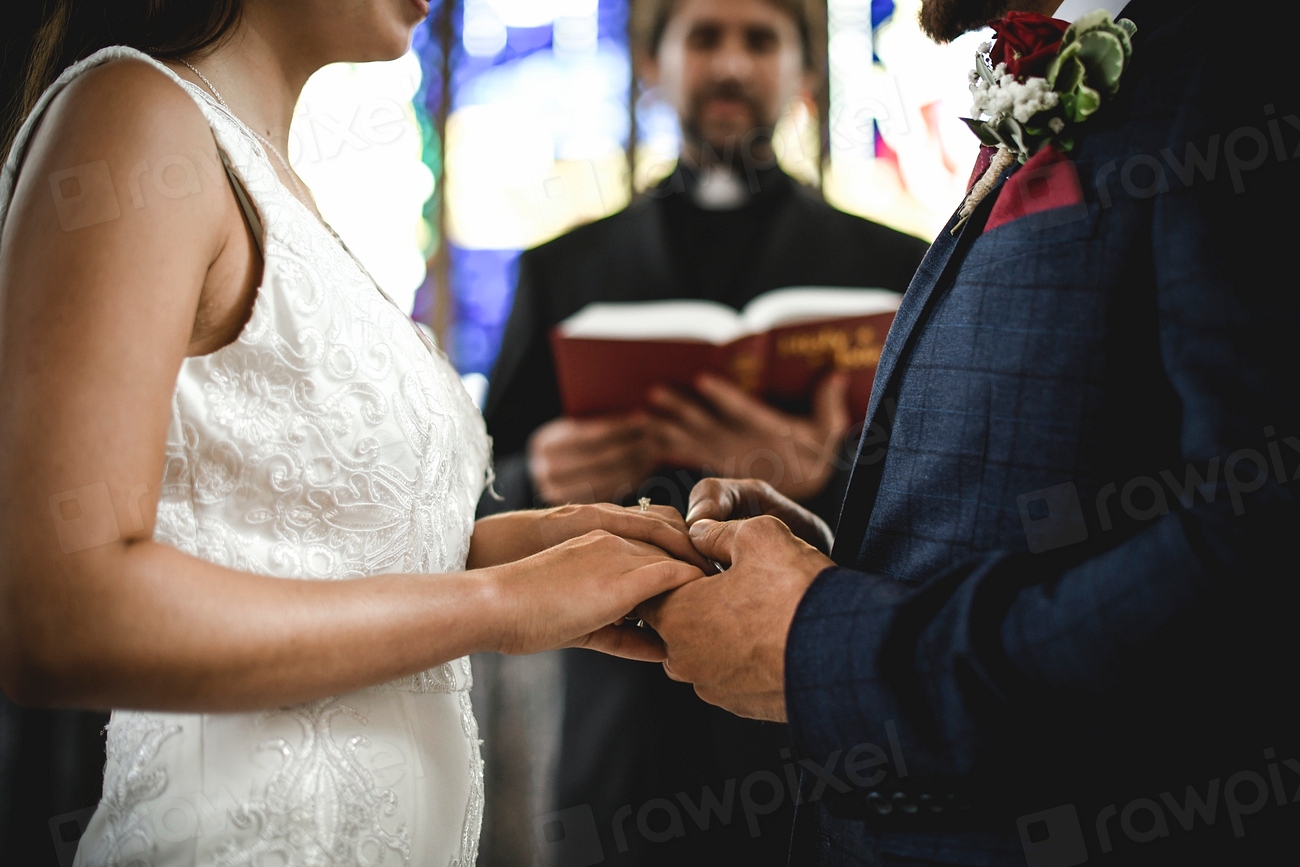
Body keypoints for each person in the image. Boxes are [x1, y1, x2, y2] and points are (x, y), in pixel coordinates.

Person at [0, 3, 709, 866]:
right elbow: (55, 611)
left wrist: (500, 554)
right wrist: (498, 604)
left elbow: (269, 543)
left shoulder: (270, 174)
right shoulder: (136, 114)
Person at [642, 0, 1300, 864]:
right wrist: (841, 557)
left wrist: (822, 638)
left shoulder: (1245, 58)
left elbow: (1252, 566)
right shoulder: (1077, 66)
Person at [480, 0, 929, 861]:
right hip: (623, 723)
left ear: (804, 74)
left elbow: (935, 490)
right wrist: (541, 472)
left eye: (760, 41)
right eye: (705, 38)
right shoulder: (567, 268)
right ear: (655, 64)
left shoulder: (891, 265)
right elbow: (477, 483)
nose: (731, 64)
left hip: (814, 709)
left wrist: (823, 472)